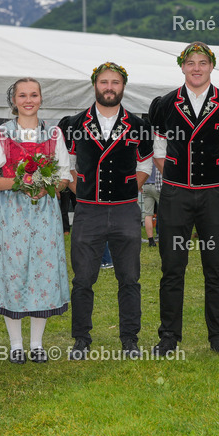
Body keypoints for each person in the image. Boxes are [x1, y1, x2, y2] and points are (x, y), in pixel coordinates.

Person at [148, 42, 219, 357]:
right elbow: (159, 152)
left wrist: (213, 182)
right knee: (172, 268)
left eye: (202, 62)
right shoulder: (164, 104)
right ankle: (168, 337)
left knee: (215, 269)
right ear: (182, 66)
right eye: (190, 62)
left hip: (216, 197)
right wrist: (180, 180)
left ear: (211, 66)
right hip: (175, 195)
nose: (196, 68)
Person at [60, 62, 153, 360]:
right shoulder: (73, 124)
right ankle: (81, 339)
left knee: (129, 278)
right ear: (95, 85)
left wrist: (129, 190)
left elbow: (145, 165)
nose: (109, 87)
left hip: (125, 210)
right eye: (104, 82)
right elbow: (66, 165)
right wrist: (82, 192)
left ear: (123, 86)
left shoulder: (139, 125)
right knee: (83, 279)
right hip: (88, 211)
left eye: (115, 82)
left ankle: (129, 339)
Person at [0, 77, 70, 364]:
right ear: (13, 100)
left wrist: (48, 186)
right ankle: (16, 344)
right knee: (13, 272)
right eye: (22, 95)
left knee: (43, 272)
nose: (28, 100)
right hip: (11, 212)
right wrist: (19, 183)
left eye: (33, 95)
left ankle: (37, 343)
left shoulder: (54, 133)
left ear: (41, 99)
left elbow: (64, 176)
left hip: (44, 212)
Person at [141, 162, 160, 247]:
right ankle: (161, 236)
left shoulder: (146, 158)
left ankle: (151, 240)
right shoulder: (159, 157)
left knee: (148, 214)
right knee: (164, 212)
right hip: (158, 185)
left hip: (146, 185)